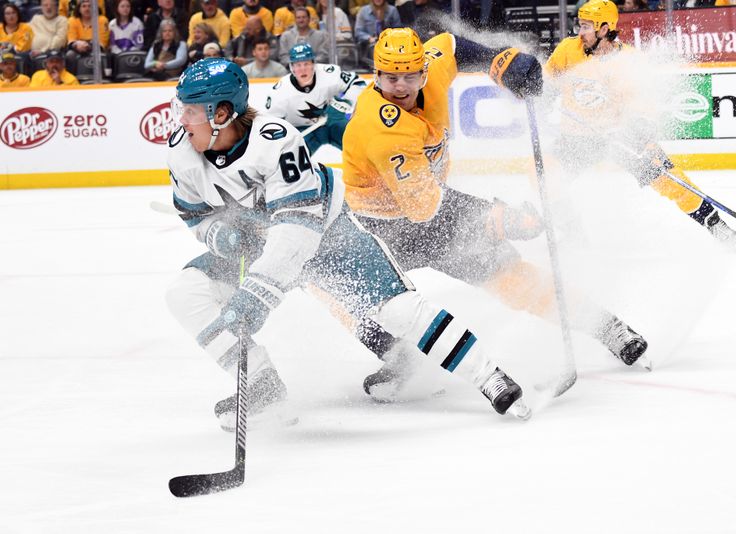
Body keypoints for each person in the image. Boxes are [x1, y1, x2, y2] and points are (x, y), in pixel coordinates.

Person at [165, 58, 534, 431]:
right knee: (186, 292)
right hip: (257, 248)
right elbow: (194, 214)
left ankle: (489, 375)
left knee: (399, 310)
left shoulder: (277, 141)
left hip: (327, 238)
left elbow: (296, 234)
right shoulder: (182, 151)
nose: (182, 120)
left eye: (192, 111)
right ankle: (262, 388)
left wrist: (256, 296)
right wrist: (220, 236)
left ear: (223, 113)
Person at [341, 28, 650, 396]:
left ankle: (607, 327)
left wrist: (500, 63)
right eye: (391, 77)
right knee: (351, 295)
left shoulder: (434, 68)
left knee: (514, 279)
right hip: (382, 231)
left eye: (411, 75)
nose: (402, 86)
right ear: (375, 75)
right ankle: (400, 359)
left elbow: (452, 46)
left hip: (431, 214)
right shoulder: (379, 128)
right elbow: (426, 209)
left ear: (424, 69)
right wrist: (495, 218)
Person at [544, 0, 736, 245]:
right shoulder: (567, 50)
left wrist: (638, 130)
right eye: (580, 25)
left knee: (667, 178)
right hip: (576, 139)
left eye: (586, 26)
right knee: (543, 176)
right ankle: (573, 234)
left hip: (618, 138)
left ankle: (715, 224)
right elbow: (546, 82)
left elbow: (643, 105)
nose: (579, 32)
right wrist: (541, 96)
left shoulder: (628, 61)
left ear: (604, 29)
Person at [265, 42, 365, 155]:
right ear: (291, 67)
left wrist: (347, 103)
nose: (303, 69)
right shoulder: (280, 92)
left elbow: (358, 83)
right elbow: (271, 124)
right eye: (298, 65)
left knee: (357, 143)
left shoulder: (329, 74)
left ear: (314, 64)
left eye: (306, 64)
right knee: (293, 162)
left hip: (331, 122)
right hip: (301, 130)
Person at [66, 0, 110, 70]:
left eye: (90, 6)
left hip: (97, 48)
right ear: (79, 9)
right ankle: (73, 77)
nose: (87, 9)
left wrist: (88, 46)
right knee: (70, 55)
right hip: (77, 48)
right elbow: (71, 40)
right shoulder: (72, 20)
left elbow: (103, 42)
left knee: (104, 56)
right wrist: (77, 45)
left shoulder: (102, 20)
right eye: (84, 6)